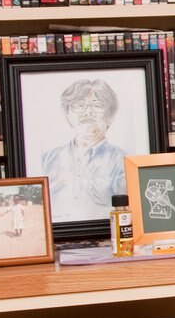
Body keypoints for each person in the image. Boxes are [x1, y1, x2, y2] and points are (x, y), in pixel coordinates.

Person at [40, 78, 130, 223]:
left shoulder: (123, 161)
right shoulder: (47, 159)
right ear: (67, 114)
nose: (88, 113)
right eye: (79, 105)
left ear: (109, 116)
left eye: (97, 105)